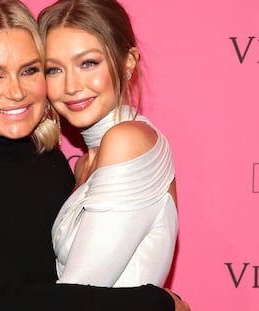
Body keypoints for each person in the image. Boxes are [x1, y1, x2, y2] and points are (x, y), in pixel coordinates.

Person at [0, 0, 190, 310]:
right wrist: (157, 304)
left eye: (29, 70)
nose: (16, 91)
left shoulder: (50, 162)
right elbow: (14, 300)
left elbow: (53, 295)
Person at [37, 0, 178, 288]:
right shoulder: (85, 164)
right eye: (54, 70)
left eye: (88, 63)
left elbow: (78, 292)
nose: (71, 86)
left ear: (128, 61)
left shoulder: (128, 142)